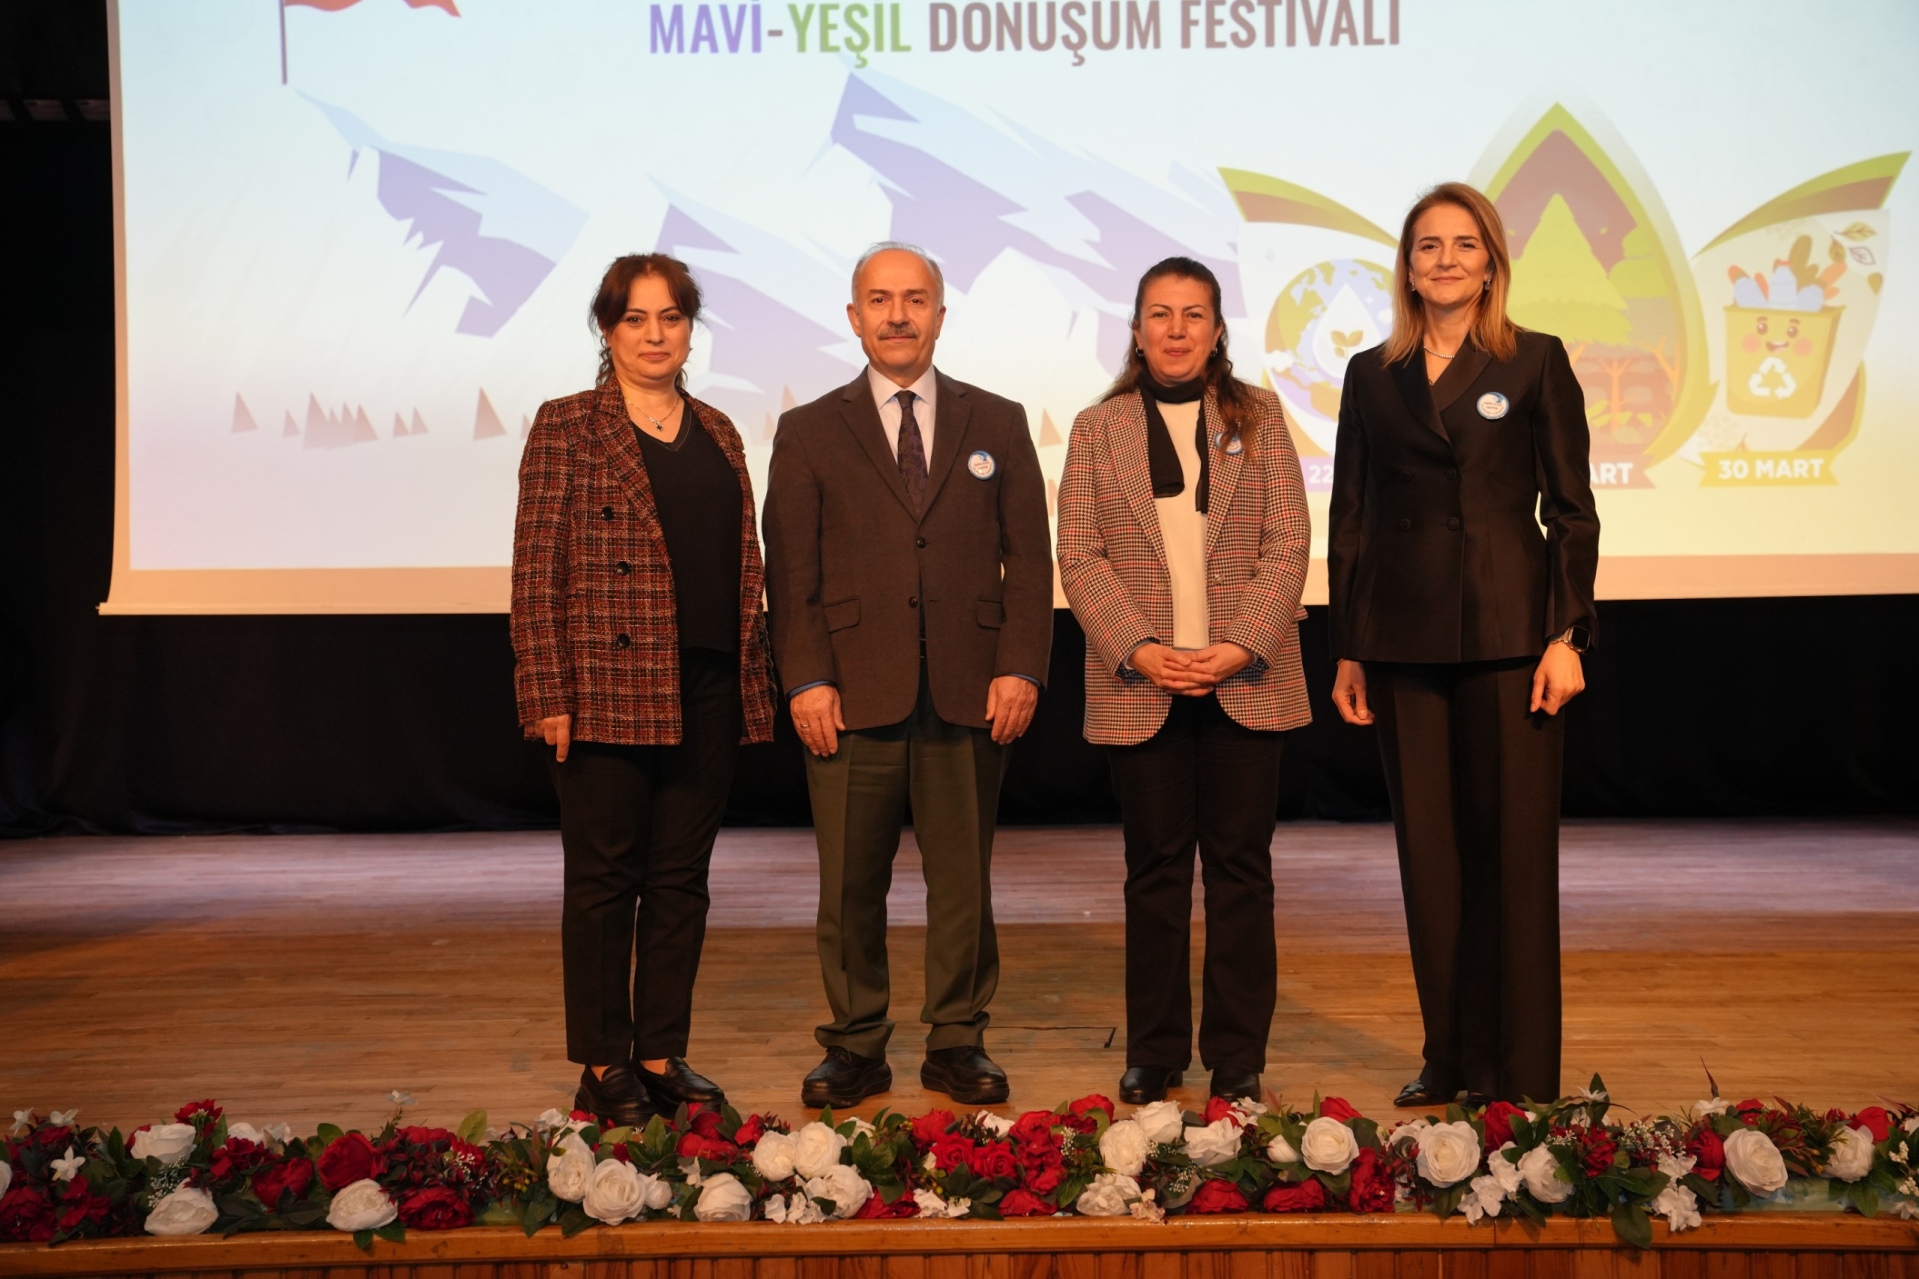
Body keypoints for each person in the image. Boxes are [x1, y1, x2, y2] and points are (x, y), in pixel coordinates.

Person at [1326, 183, 1599, 1107]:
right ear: (1407, 268)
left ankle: (1520, 1074)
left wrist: (1565, 634)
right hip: (1401, 641)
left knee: (1512, 858)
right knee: (1430, 862)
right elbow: (1352, 518)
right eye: (1427, 246)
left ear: (1490, 263)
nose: (1444, 260)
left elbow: (1571, 512)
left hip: (1510, 637)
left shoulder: (1534, 359)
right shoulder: (1371, 374)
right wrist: (1350, 645)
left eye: (1463, 244)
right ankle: (1447, 1057)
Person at [762, 242, 1052, 1109]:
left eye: (915, 299)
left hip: (970, 687)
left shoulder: (996, 420)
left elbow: (1028, 562)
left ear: (939, 314)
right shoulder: (808, 429)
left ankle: (958, 1038)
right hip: (849, 692)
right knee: (850, 883)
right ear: (854, 318)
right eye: (881, 300)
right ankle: (854, 1042)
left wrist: (1020, 666)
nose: (898, 315)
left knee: (962, 883)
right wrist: (805, 678)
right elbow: (791, 572)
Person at [510, 253, 777, 1127]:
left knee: (680, 881)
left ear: (689, 329)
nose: (655, 334)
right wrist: (545, 689)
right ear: (607, 328)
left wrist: (752, 678)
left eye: (671, 317)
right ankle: (601, 1062)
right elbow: (535, 569)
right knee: (602, 882)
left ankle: (660, 1053)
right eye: (635, 318)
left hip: (707, 682)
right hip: (604, 688)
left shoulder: (720, 430)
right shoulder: (567, 425)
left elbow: (743, 565)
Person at [1056, 256, 1312, 1104]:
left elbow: (1288, 542)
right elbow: (1079, 554)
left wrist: (1240, 644)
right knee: (1154, 873)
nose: (1175, 329)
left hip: (1245, 677)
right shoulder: (1096, 430)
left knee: (1241, 872)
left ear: (1216, 330)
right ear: (1136, 331)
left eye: (1192, 314)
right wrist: (1138, 647)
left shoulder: (1260, 417)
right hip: (1143, 683)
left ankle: (1237, 1056)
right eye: (1159, 314)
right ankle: (1155, 1049)